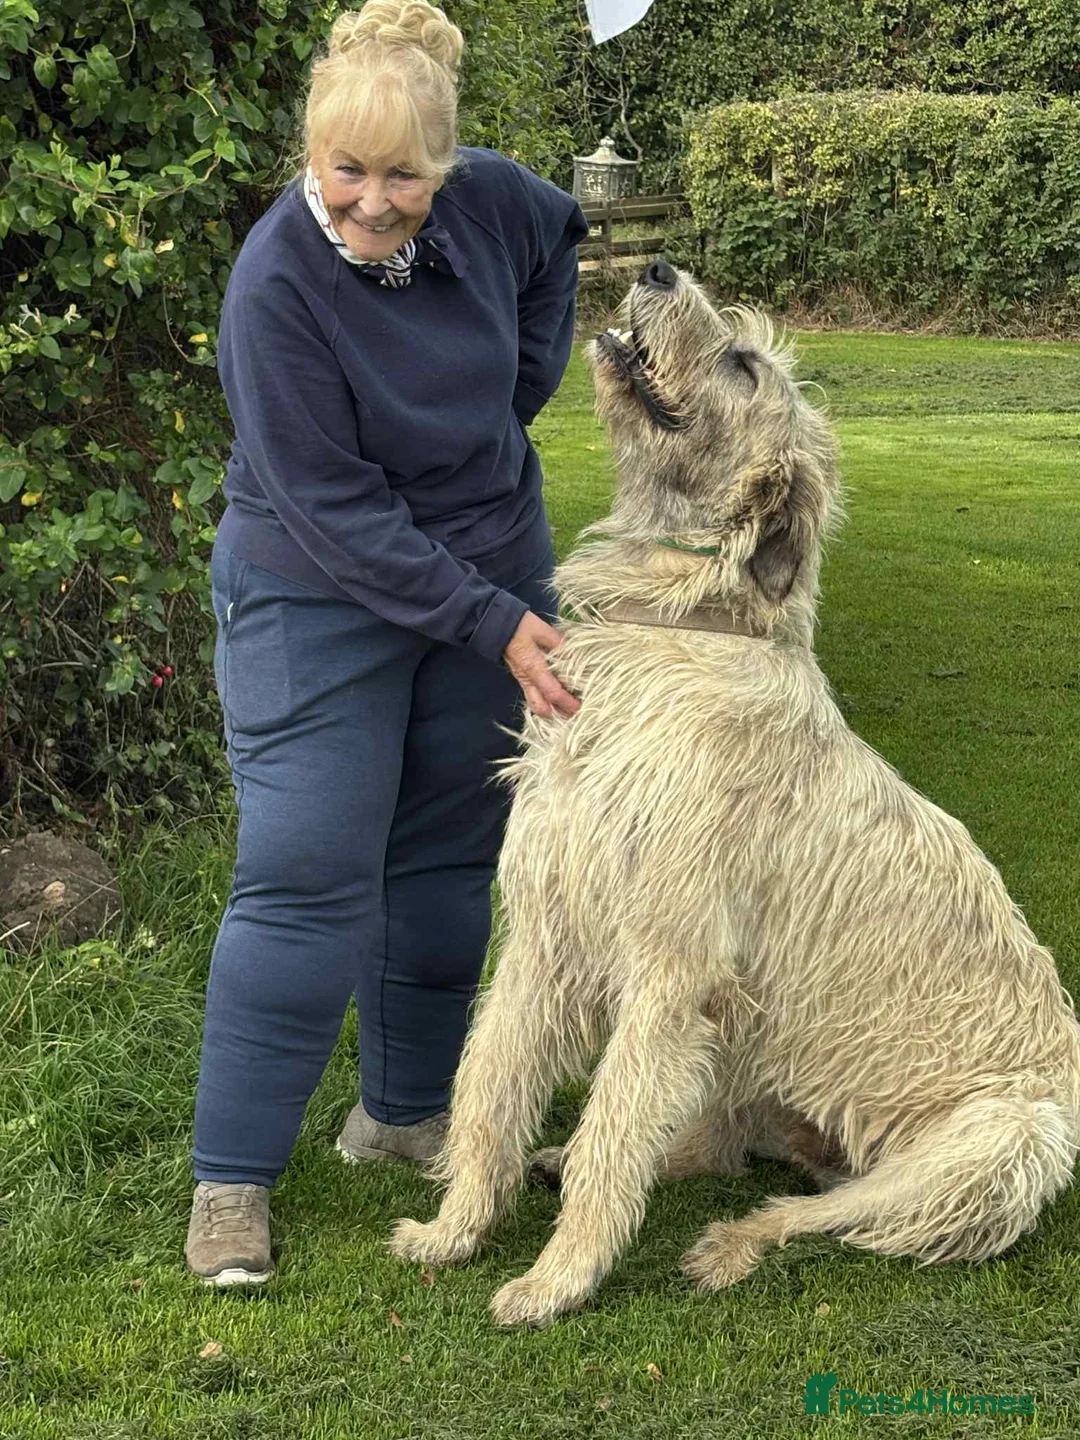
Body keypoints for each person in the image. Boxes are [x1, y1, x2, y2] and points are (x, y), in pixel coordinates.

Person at [185, 0, 587, 1286]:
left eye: (403, 174)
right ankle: (232, 1180)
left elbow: (557, 248)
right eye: (343, 171)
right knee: (306, 870)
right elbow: (341, 511)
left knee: (447, 853)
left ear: (446, 165)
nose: (371, 202)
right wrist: (495, 619)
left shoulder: (499, 208)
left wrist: (506, 396)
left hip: (487, 568)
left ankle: (402, 1113)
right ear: (312, 157)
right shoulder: (275, 287)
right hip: (318, 589)